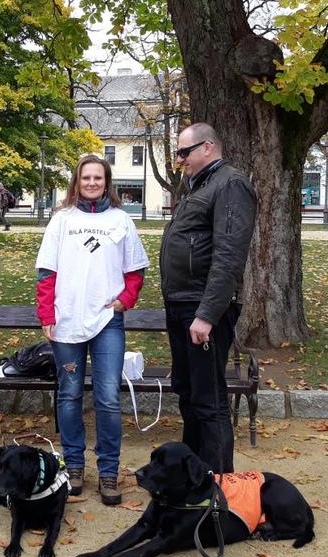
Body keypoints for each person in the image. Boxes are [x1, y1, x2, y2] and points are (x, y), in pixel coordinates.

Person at [35, 154, 149, 505]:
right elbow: (46, 272)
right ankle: (74, 467)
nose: (92, 183)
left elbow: (136, 270)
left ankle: (109, 472)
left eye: (98, 178)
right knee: (69, 395)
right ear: (76, 181)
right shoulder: (62, 221)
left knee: (108, 398)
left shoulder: (121, 221)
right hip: (67, 321)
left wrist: (124, 301)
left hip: (106, 322)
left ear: (107, 182)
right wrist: (47, 314)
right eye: (86, 178)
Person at [160, 123, 255, 474]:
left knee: (209, 399)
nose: (180, 159)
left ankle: (218, 486)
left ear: (208, 147)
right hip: (182, 305)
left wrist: (208, 314)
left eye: (185, 152)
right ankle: (193, 476)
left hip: (203, 309)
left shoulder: (230, 184)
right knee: (187, 391)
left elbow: (229, 256)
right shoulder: (199, 186)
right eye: (179, 152)